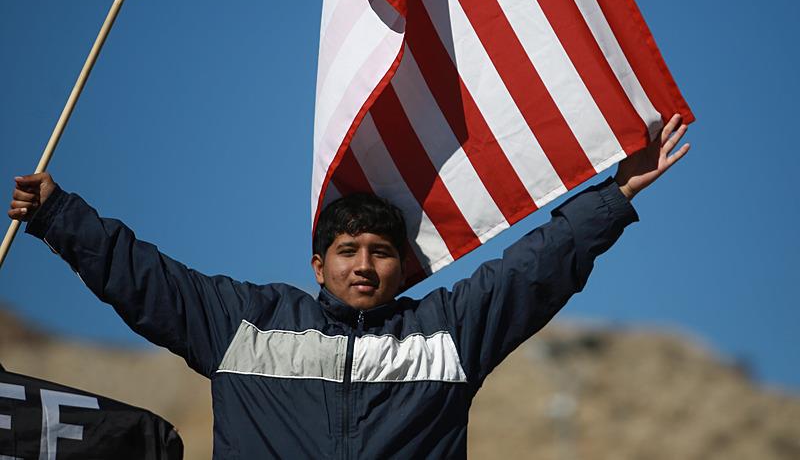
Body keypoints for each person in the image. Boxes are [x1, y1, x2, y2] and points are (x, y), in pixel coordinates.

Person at [8, 116, 689, 459]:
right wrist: (60, 215)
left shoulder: (447, 333)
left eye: (382, 253)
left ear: (405, 267)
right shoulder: (246, 321)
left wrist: (616, 192)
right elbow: (144, 279)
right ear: (317, 264)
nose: (364, 265)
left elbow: (536, 268)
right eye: (347, 251)